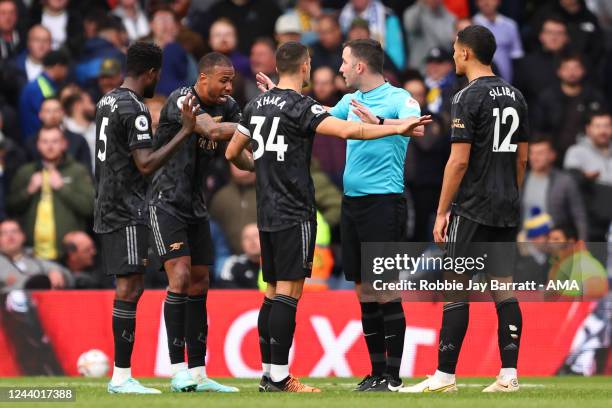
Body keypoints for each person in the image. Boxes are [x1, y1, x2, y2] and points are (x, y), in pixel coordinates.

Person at [227, 41, 430, 393]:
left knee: (383, 289)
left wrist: (384, 122)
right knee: (363, 290)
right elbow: (312, 113)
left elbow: (417, 125)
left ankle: (392, 377)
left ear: (361, 67)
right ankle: (376, 372)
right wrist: (282, 97)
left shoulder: (399, 97)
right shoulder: (345, 102)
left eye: (345, 61)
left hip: (384, 202)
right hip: (351, 204)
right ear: (304, 66)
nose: (340, 68)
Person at [402, 25, 529, 393]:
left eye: (457, 50)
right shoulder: (516, 95)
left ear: (467, 53)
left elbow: (458, 162)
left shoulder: (466, 96)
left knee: (455, 285)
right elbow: (521, 158)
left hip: (473, 205)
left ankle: (444, 375)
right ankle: (509, 375)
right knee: (503, 288)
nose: (455, 55)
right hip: (506, 204)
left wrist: (442, 212)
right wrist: (509, 193)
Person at [94, 41, 197, 394]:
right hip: (126, 206)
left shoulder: (107, 100)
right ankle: (121, 377)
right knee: (129, 287)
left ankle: (123, 375)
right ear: (151, 72)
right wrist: (185, 130)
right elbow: (146, 163)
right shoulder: (134, 107)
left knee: (130, 286)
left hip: (107, 201)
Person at [148, 52, 241, 393]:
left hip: (196, 206)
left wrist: (262, 158)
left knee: (200, 282)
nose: (229, 87)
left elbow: (239, 154)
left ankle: (199, 373)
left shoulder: (229, 106)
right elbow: (214, 131)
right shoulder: (181, 99)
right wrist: (256, 125)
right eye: (223, 80)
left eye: (231, 81)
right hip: (165, 202)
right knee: (181, 276)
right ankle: (177, 371)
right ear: (203, 78)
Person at [7, 127, 94, 262]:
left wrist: (62, 188)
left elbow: (90, 207)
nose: (50, 146)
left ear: (64, 144)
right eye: (45, 141)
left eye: (55, 141)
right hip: (31, 253)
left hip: (67, 255)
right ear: (38, 145)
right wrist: (29, 191)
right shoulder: (26, 172)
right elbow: (11, 207)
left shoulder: (77, 171)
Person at [532, 53, 606, 163]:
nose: (572, 73)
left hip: (590, 155)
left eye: (576, 67)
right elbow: (538, 128)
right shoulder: (547, 98)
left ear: (583, 70)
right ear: (559, 71)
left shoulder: (594, 97)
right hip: (553, 156)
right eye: (567, 68)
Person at [522, 137, 588, 240]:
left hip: (555, 241)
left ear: (552, 156)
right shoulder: (521, 180)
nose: (535, 157)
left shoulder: (565, 181)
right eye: (532, 153)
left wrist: (583, 242)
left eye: (540, 153)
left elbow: (579, 215)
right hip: (524, 240)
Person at [564, 112, 612, 241]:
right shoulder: (577, 152)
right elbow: (569, 180)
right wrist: (584, 177)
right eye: (598, 126)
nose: (603, 131)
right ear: (588, 129)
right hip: (591, 224)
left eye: (607, 126)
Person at [0, 219, 70, 291]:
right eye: (4, 233)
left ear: (23, 236)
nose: (10, 236)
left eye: (14, 231)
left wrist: (55, 271)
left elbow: (68, 275)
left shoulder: (33, 257)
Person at [18, 49, 69, 139]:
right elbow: (47, 119)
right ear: (58, 67)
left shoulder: (43, 84)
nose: (67, 73)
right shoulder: (36, 88)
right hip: (38, 141)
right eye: (65, 68)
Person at [472, 0, 523, 82]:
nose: (486, 2)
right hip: (479, 83)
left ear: (498, 1)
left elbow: (517, 56)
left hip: (508, 82)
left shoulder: (510, 25)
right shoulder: (470, 25)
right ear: (476, 2)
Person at [217, 223, 261, 288]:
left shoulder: (275, 264)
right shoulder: (233, 263)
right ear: (242, 243)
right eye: (246, 238)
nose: (252, 241)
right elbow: (224, 286)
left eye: (256, 236)